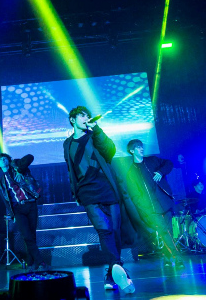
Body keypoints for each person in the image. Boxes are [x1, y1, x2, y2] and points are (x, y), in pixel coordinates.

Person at [63, 106, 135, 294]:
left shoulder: (94, 135)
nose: (86, 117)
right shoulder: (67, 144)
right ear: (72, 120)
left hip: (107, 188)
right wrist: (75, 193)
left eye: (87, 115)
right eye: (82, 115)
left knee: (115, 231)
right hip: (87, 192)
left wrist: (97, 129)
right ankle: (118, 267)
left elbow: (110, 151)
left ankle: (112, 273)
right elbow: (71, 170)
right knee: (104, 231)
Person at [118, 139, 184, 268]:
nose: (141, 148)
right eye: (138, 147)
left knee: (168, 231)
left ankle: (167, 257)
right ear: (132, 151)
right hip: (151, 209)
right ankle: (177, 258)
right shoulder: (131, 173)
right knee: (164, 231)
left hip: (164, 202)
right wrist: (145, 210)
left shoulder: (152, 160)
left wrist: (160, 172)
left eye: (141, 146)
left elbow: (169, 163)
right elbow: (135, 196)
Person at [0, 153, 46, 270]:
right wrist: (12, 215)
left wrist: (18, 168)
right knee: (27, 236)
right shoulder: (0, 183)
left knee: (32, 235)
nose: (3, 160)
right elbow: (6, 201)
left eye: (5, 159)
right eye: (0, 160)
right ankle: (40, 262)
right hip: (18, 209)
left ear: (9, 160)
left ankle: (31, 263)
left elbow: (30, 157)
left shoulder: (18, 167)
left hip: (30, 204)